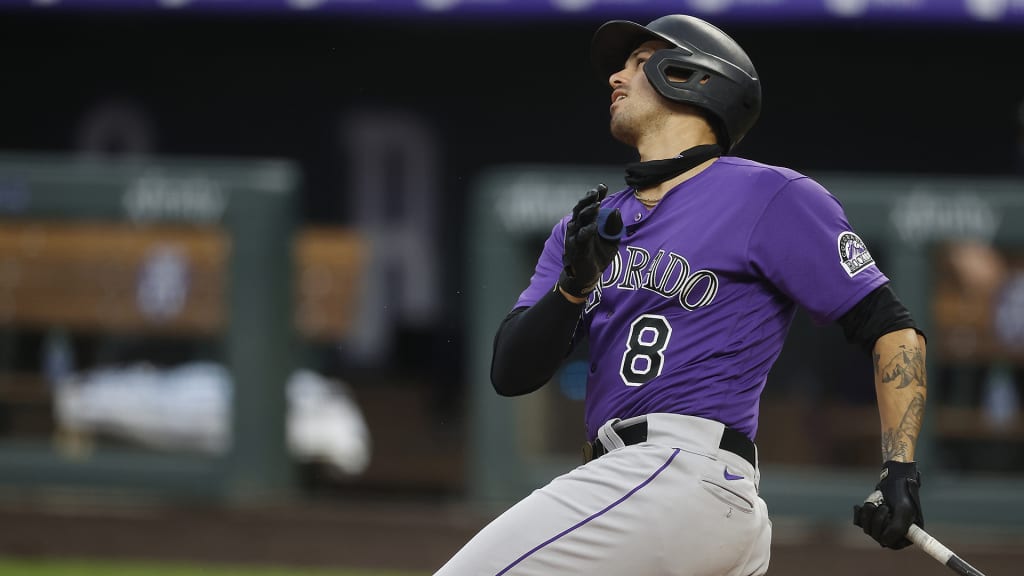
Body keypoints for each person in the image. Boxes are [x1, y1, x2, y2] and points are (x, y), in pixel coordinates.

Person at [436, 14, 927, 576]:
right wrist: (572, 288)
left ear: (692, 77)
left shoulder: (768, 193)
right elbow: (510, 373)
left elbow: (890, 326)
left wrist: (900, 469)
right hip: (655, 496)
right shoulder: (589, 229)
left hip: (676, 472)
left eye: (638, 63)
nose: (616, 78)